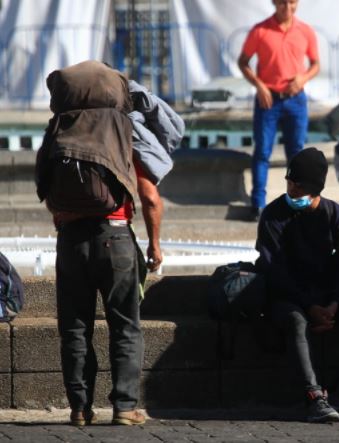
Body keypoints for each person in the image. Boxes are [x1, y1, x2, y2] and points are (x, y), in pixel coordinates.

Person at [35, 60, 163, 426]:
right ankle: (125, 407)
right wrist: (154, 245)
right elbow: (150, 196)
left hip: (70, 242)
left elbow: (43, 186)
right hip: (116, 236)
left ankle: (79, 408)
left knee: (74, 327)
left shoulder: (57, 128)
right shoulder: (123, 129)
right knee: (125, 325)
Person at [255, 147, 339, 422]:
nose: (291, 188)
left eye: (298, 185)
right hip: (288, 296)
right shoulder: (273, 215)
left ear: (314, 189)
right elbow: (274, 271)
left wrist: (334, 304)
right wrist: (310, 305)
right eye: (289, 182)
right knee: (296, 320)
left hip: (329, 297)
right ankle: (313, 396)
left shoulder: (337, 217)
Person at [238, 0, 320, 221]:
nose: (288, 7)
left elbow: (315, 64)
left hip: (296, 100)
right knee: (262, 152)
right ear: (274, 3)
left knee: (296, 154)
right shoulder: (260, 30)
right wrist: (259, 85)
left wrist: (303, 78)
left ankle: (296, 202)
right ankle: (258, 204)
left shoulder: (305, 30)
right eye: (283, 2)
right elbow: (243, 62)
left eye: (292, 2)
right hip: (268, 100)